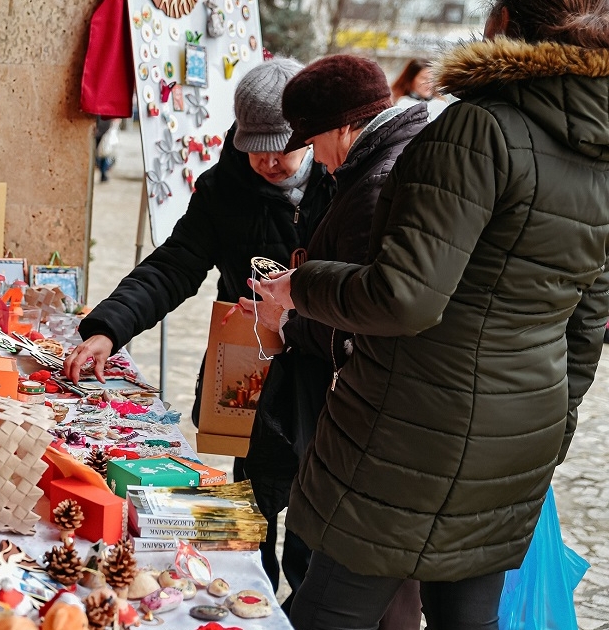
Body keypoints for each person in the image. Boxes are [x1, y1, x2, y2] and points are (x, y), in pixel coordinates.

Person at [254, 0, 609, 626]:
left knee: (330, 611)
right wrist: (552, 423)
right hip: (520, 436)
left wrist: (302, 285)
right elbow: (587, 322)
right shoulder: (597, 145)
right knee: (466, 618)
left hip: (413, 435)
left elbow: (404, 296)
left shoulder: (479, 127)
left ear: (505, 23)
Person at [65, 58, 334, 601]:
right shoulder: (224, 188)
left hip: (331, 378)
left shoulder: (344, 182)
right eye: (255, 146)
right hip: (253, 377)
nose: (268, 161)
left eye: (282, 146)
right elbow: (174, 266)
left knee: (319, 528)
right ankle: (247, 603)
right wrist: (109, 330)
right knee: (252, 512)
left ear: (307, 137)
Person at [239, 54, 427, 624]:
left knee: (334, 593)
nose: (311, 154)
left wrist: (289, 316)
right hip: (347, 412)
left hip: (361, 418)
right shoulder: (381, 166)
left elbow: (367, 316)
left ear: (344, 127)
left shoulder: (373, 184)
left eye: (310, 139)